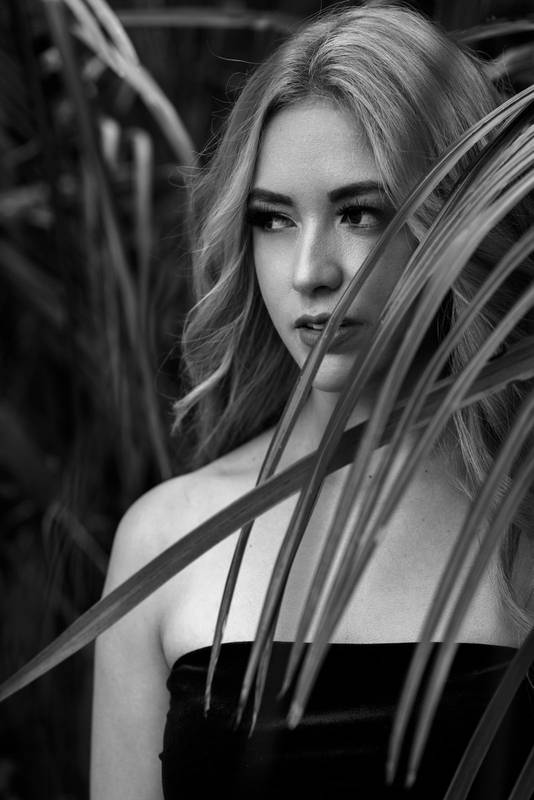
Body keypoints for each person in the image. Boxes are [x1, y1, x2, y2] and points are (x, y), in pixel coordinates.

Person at [90, 3, 534, 798]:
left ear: (459, 221)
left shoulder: (523, 516)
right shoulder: (166, 540)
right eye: (272, 219)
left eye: (359, 212)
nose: (309, 272)